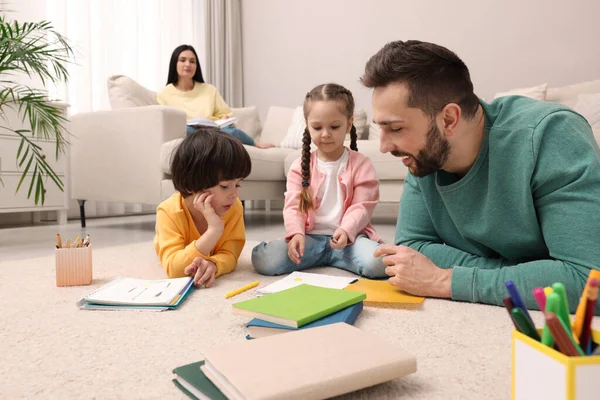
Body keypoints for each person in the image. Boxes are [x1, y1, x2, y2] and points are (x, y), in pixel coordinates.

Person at [361, 40, 600, 313]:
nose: (384, 146)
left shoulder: (551, 135)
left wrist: (446, 279)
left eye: (396, 128)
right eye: (381, 128)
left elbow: (587, 280)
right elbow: (411, 250)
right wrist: (528, 274)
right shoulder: (424, 156)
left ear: (449, 119)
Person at [252, 83, 386, 278]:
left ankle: (334, 257)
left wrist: (346, 230)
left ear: (349, 124)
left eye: (334, 126)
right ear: (307, 125)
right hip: (310, 239)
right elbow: (293, 207)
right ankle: (324, 257)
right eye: (317, 127)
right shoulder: (299, 166)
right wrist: (296, 233)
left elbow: (362, 206)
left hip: (349, 240)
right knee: (264, 259)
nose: (325, 134)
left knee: (379, 263)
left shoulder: (362, 164)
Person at [154, 127, 251, 287]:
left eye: (238, 184)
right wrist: (213, 231)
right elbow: (175, 269)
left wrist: (214, 264)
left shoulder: (233, 208)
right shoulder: (168, 212)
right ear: (193, 185)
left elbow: (230, 255)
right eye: (225, 186)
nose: (234, 194)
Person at [157, 44, 274, 149]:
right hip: (189, 131)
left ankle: (254, 143)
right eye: (182, 60)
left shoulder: (209, 90)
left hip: (214, 130)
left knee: (232, 132)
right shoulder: (164, 94)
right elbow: (167, 123)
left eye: (192, 61)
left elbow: (226, 114)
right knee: (187, 131)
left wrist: (225, 119)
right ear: (174, 64)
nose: (188, 64)